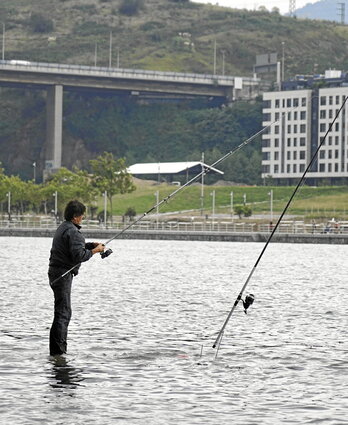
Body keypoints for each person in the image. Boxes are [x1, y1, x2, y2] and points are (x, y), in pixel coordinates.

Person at [48, 200, 105, 356]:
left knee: (60, 312)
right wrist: (95, 251)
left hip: (55, 273)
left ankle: (56, 352)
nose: (83, 217)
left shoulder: (64, 227)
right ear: (75, 216)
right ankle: (59, 353)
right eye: (81, 215)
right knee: (64, 313)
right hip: (62, 275)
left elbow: (72, 247)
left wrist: (90, 245)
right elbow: (79, 255)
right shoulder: (73, 231)